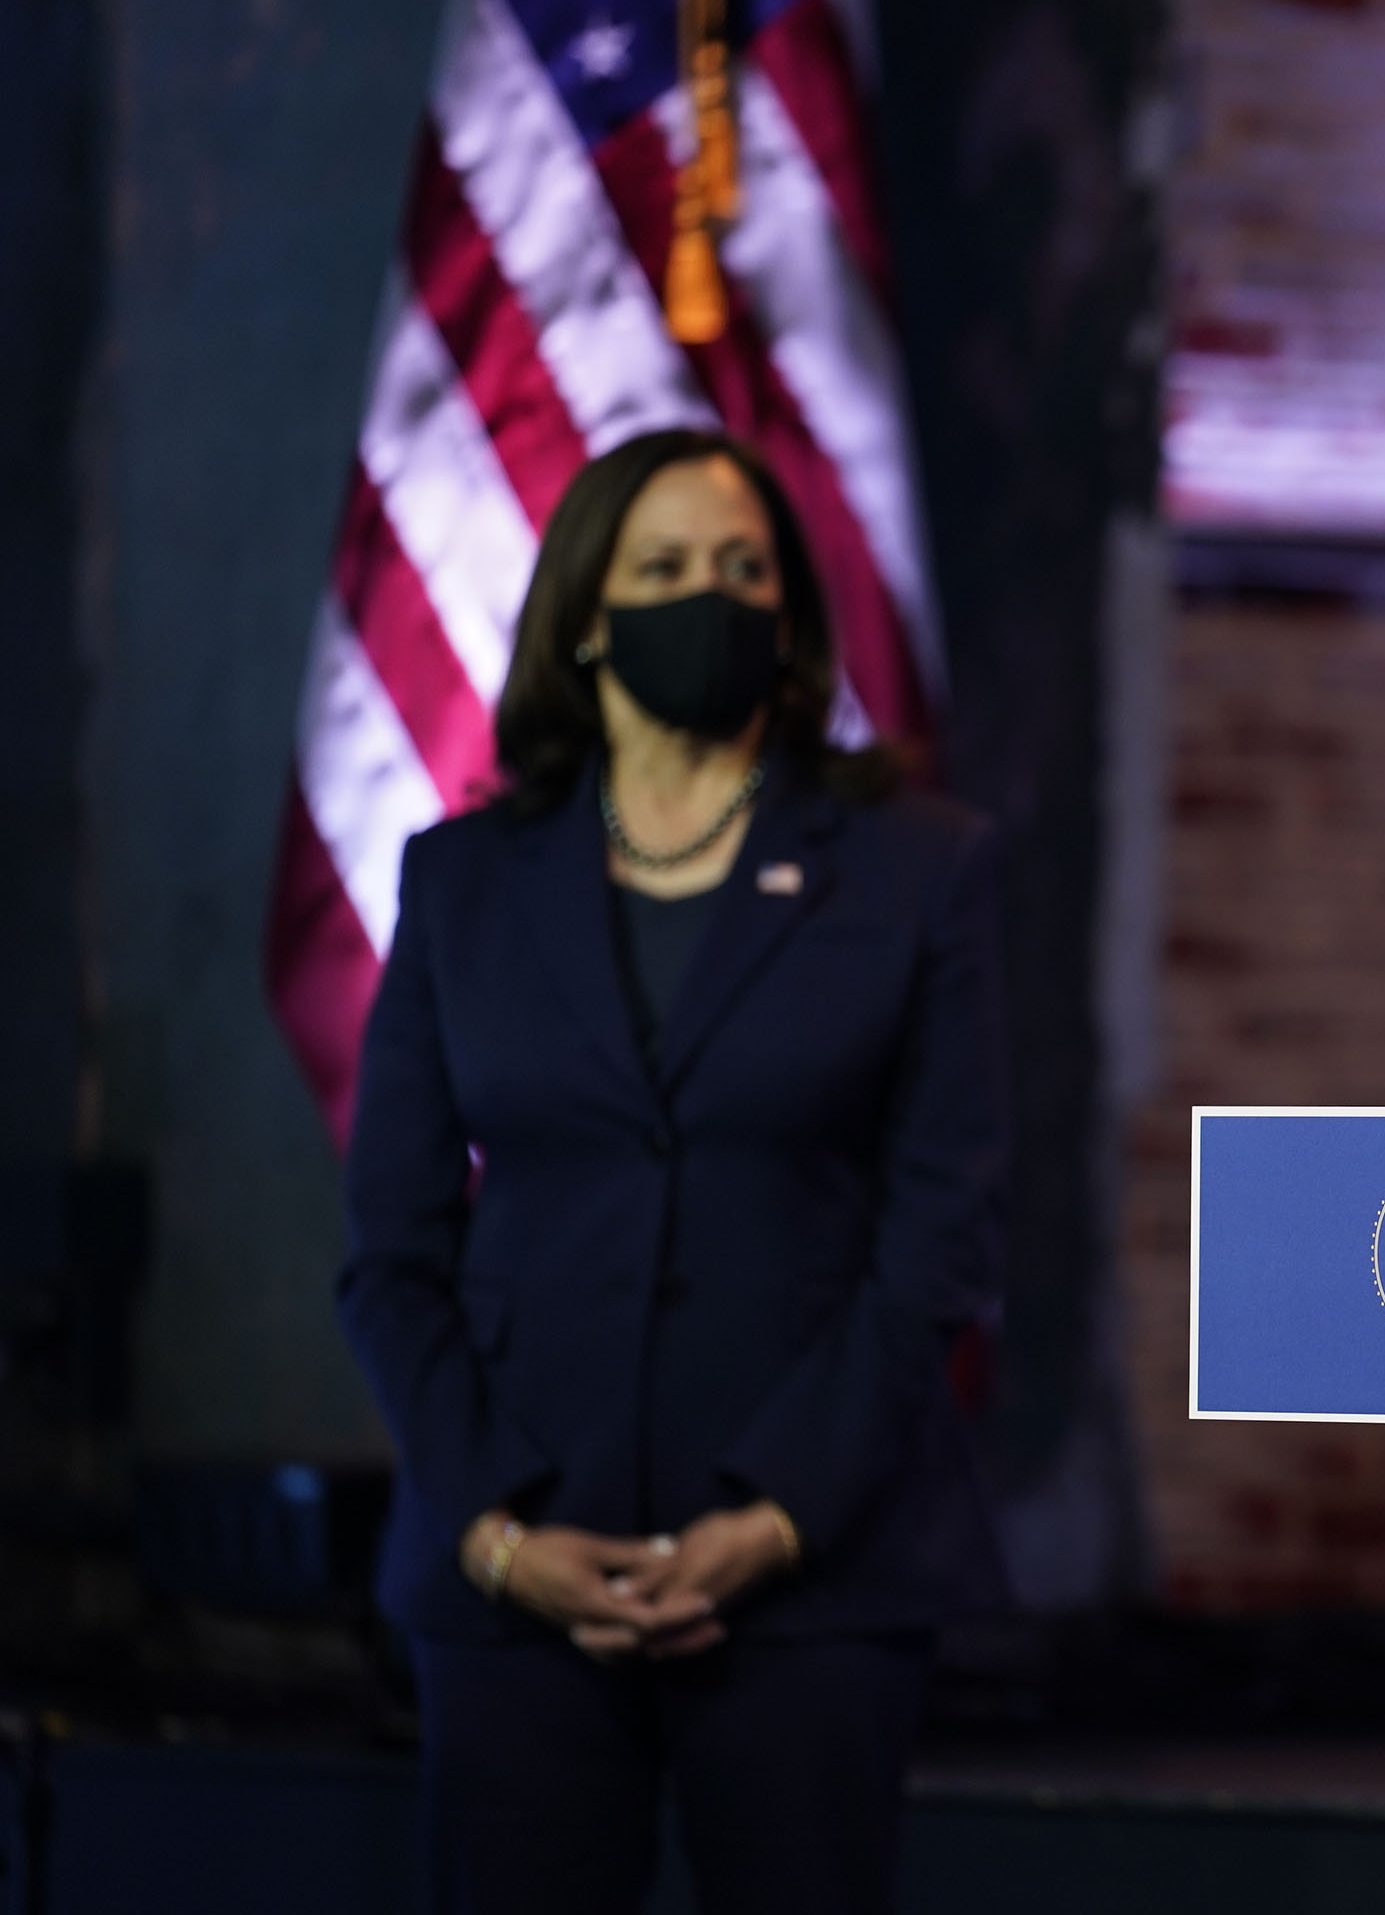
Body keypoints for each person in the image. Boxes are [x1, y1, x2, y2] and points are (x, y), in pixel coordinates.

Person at [337, 428, 1007, 1915]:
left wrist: (774, 1521)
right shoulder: (463, 882)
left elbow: (941, 1236)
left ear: (791, 613)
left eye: (741, 569)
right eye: (661, 569)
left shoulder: (916, 865)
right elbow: (390, 1253)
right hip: (518, 1570)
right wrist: (499, 1535)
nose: (707, 596)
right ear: (586, 612)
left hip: (811, 1578)